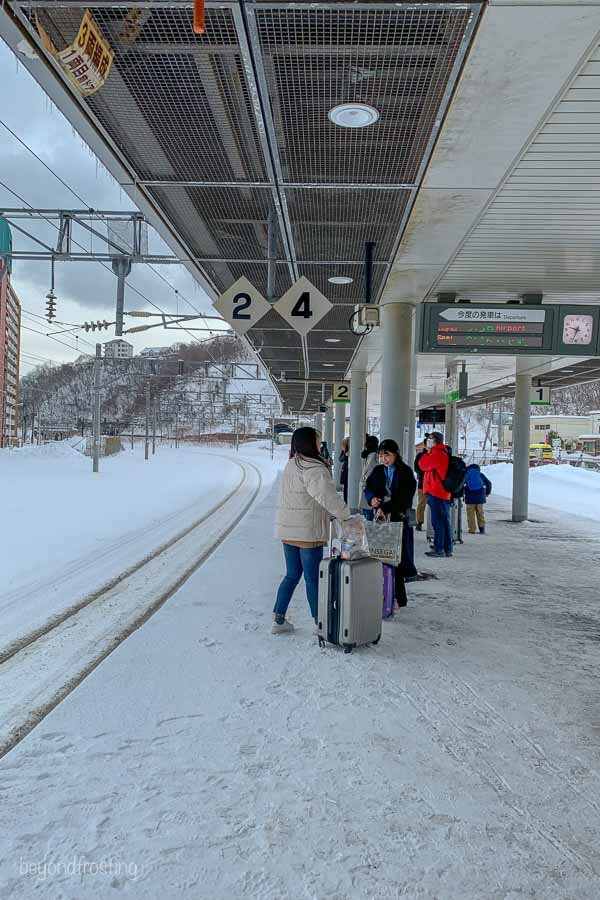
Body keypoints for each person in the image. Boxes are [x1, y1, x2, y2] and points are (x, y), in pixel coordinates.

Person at [273, 426, 350, 634]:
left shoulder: (292, 464)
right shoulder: (314, 468)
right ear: (310, 443)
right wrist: (346, 515)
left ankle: (278, 620)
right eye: (318, 440)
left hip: (288, 531)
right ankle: (320, 623)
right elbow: (328, 498)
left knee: (291, 575)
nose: (320, 443)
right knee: (313, 579)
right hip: (307, 532)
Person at [365, 438, 417, 600]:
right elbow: (368, 487)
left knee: (397, 559)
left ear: (396, 455)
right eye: (381, 455)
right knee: (379, 557)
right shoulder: (378, 470)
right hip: (380, 520)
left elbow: (405, 497)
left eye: (387, 455)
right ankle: (382, 595)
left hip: (398, 520)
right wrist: (372, 498)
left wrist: (384, 508)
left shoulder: (405, 472)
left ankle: (398, 598)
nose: (384, 459)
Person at [419, 431, 453, 558]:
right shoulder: (440, 452)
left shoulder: (437, 453)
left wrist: (426, 452)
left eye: (430, 438)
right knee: (444, 521)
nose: (428, 441)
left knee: (438, 522)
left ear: (436, 440)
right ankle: (446, 547)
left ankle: (439, 548)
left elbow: (422, 464)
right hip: (441, 492)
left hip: (436, 492)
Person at [464, 464, 492, 534]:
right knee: (480, 513)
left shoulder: (466, 475)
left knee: (470, 514)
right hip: (480, 497)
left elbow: (461, 484)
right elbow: (489, 483)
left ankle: (472, 530)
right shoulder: (480, 474)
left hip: (470, 497)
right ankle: (482, 529)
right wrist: (487, 492)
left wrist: (462, 493)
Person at [360, 435, 379, 520]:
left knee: (369, 516)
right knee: (368, 514)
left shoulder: (373, 457)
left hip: (369, 491)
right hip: (369, 491)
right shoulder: (370, 456)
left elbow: (368, 475)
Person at [413, 435, 430, 531]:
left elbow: (416, 468)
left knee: (421, 503)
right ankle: (425, 523)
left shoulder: (419, 456)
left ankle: (419, 522)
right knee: (431, 504)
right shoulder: (426, 456)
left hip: (422, 483)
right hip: (430, 484)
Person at [339, 437, 350, 504]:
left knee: (347, 487)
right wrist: (345, 455)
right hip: (346, 470)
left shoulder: (353, 449)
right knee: (346, 487)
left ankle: (347, 501)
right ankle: (346, 501)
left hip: (349, 469)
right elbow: (340, 459)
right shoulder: (344, 450)